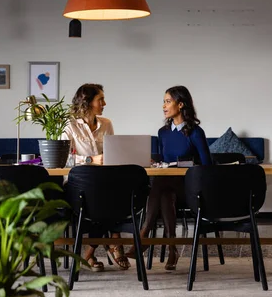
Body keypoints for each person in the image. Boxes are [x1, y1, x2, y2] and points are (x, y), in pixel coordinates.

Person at [126, 85, 212, 270]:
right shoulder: (162, 133)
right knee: (164, 192)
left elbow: (207, 167)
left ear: (180, 104)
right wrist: (154, 162)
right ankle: (172, 249)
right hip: (167, 188)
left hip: (188, 188)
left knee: (162, 187)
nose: (163, 106)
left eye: (167, 101)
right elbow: (164, 161)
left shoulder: (196, 132)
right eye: (163, 102)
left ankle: (144, 234)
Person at [62, 83, 130, 272]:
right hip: (78, 185)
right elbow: (64, 159)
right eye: (100, 99)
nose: (104, 103)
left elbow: (112, 153)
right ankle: (114, 242)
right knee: (104, 198)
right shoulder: (70, 125)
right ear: (87, 102)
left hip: (103, 182)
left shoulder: (106, 124)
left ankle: (88, 254)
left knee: (116, 192)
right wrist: (91, 159)